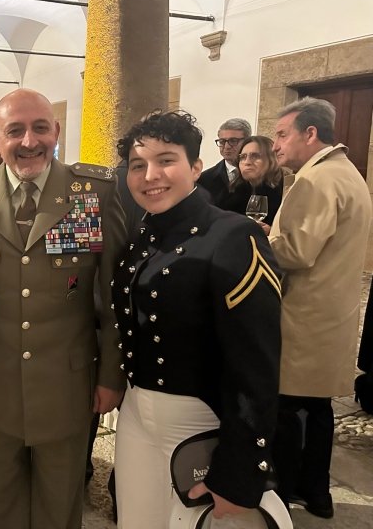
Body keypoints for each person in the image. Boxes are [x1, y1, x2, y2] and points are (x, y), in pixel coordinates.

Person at [0, 88, 127, 529]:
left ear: (56, 132)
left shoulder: (95, 192)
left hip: (67, 385)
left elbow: (113, 298)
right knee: (1, 500)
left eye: (40, 128)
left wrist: (110, 376)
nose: (29, 141)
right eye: (15, 131)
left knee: (60, 504)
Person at [111, 110, 282, 528]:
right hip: (136, 413)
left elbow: (256, 364)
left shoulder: (234, 237)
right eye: (138, 165)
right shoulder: (141, 238)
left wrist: (241, 469)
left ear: (195, 167)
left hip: (201, 420)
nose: (151, 174)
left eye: (166, 159)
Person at [269, 97, 372, 518]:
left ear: (310, 134)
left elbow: (296, 251)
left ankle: (288, 491)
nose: (276, 145)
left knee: (289, 408)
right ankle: (317, 493)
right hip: (331, 312)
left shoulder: (317, 180)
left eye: (281, 134)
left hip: (304, 317)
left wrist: (257, 238)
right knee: (317, 406)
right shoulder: (346, 172)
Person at [229, 135, 286, 229]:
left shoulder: (285, 192)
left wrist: (272, 231)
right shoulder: (233, 191)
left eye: (255, 156)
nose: (247, 162)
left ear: (272, 159)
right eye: (243, 157)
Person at [197, 118, 252, 209]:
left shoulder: (261, 175)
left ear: (248, 141)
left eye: (233, 141)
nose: (226, 147)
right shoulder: (204, 179)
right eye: (222, 141)